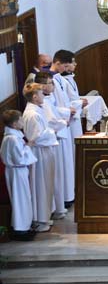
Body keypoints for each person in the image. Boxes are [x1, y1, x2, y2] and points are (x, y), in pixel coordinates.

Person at [34, 72, 71, 218]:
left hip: (53, 141)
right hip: (50, 143)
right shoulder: (41, 104)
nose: (53, 86)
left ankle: (58, 206)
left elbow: (54, 113)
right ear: (42, 86)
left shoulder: (47, 99)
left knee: (56, 175)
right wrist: (64, 122)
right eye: (50, 83)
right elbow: (51, 122)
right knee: (54, 176)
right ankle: (55, 209)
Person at [22, 83, 57, 233]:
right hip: (39, 153)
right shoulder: (32, 114)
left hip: (44, 151)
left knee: (46, 184)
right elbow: (37, 137)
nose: (44, 95)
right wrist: (53, 131)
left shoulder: (37, 110)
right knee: (40, 186)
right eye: (42, 93)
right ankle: (40, 219)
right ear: (35, 97)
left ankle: (45, 216)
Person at [0, 110, 37, 241]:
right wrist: (28, 146)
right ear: (15, 124)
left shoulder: (13, 137)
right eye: (21, 120)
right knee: (19, 200)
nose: (23, 122)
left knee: (23, 198)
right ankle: (20, 229)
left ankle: (24, 226)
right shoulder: (12, 139)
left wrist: (26, 146)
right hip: (16, 171)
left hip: (18, 171)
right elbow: (19, 159)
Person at [49, 50, 77, 208]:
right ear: (57, 63)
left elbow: (64, 100)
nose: (66, 69)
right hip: (58, 127)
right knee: (62, 166)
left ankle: (69, 193)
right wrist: (67, 112)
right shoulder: (49, 79)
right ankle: (64, 199)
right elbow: (51, 107)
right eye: (65, 66)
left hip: (65, 123)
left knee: (67, 162)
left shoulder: (59, 78)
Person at [61, 53, 87, 142]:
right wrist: (80, 103)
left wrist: (79, 100)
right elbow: (64, 102)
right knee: (73, 140)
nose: (75, 64)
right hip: (70, 116)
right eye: (73, 62)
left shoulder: (70, 78)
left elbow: (72, 97)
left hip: (76, 114)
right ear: (65, 64)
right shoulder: (62, 81)